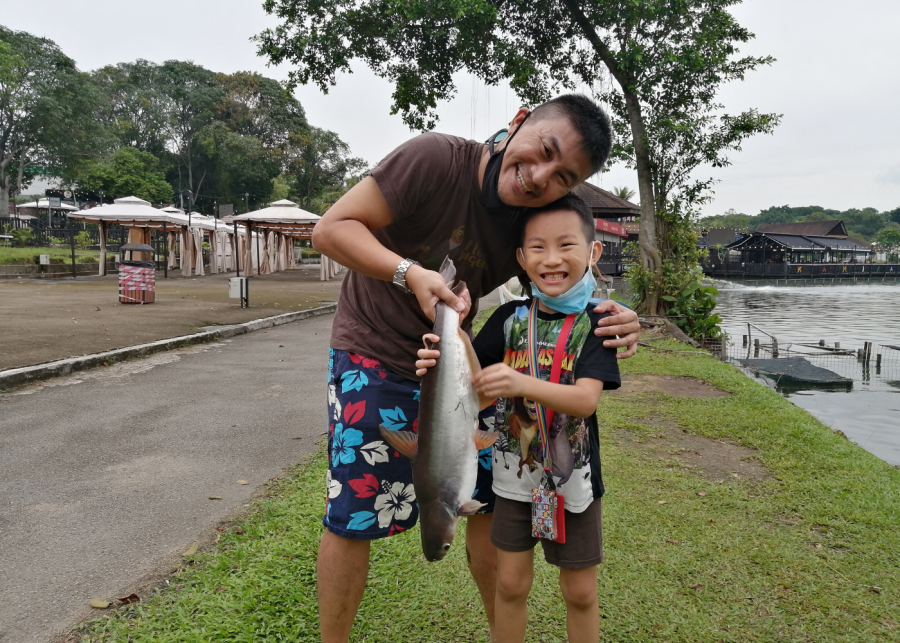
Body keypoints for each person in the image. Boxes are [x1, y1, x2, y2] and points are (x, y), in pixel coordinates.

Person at [312, 94, 640, 643]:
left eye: (563, 177)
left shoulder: (529, 216)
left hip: (466, 368)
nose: (539, 178)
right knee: (354, 512)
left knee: (490, 503)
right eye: (543, 151)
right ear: (518, 123)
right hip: (373, 353)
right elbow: (332, 229)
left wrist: (613, 313)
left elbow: (556, 278)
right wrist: (409, 274)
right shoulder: (434, 159)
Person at [415, 194, 620, 643]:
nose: (552, 259)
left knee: (580, 592)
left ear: (593, 251)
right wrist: (454, 338)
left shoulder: (597, 324)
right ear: (520, 258)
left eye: (566, 245)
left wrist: (519, 382)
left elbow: (585, 401)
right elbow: (476, 381)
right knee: (510, 584)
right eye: (537, 247)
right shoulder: (509, 318)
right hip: (514, 483)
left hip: (572, 485)